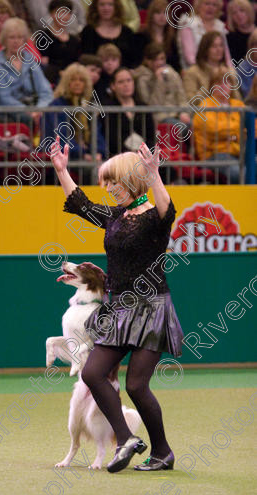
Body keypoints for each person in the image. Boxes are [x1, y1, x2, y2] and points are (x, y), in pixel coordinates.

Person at [50, 136, 183, 473]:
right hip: (118, 310)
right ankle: (126, 440)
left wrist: (154, 175)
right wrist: (62, 171)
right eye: (105, 182)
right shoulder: (115, 216)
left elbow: (168, 211)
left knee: (137, 385)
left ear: (130, 179)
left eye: (112, 181)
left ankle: (163, 453)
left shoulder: (153, 218)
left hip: (151, 309)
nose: (108, 187)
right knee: (93, 372)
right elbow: (81, 204)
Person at [0, 17, 53, 124]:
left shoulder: (31, 61)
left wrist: (39, 109)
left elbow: (45, 91)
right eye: (12, 37)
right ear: (4, 40)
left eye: (20, 37)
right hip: (11, 113)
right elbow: (3, 97)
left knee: (53, 116)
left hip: (34, 110)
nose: (16, 41)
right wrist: (28, 112)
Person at [44, 63, 105, 172]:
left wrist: (98, 152)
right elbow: (61, 136)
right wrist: (82, 154)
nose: (77, 83)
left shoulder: (88, 106)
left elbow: (97, 133)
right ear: (66, 83)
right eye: (73, 80)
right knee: (89, 171)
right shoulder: (57, 106)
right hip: (62, 157)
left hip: (86, 155)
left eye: (81, 80)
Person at [192, 68, 245, 183]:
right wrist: (238, 129)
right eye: (219, 83)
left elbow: (252, 128)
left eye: (227, 82)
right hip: (214, 154)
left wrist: (233, 134)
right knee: (239, 173)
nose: (223, 86)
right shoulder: (205, 105)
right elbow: (214, 129)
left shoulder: (238, 104)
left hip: (239, 151)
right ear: (212, 86)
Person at [134, 42, 190, 129]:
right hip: (159, 118)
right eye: (155, 60)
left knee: (197, 127)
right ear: (147, 61)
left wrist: (183, 112)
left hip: (176, 114)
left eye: (162, 59)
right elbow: (152, 107)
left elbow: (182, 98)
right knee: (181, 128)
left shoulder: (172, 73)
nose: (160, 63)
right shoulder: (142, 80)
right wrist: (159, 82)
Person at [102, 67, 155, 155]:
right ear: (113, 86)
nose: (126, 85)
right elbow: (112, 140)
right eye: (121, 82)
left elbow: (151, 137)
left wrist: (143, 153)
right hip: (119, 156)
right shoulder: (108, 109)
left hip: (144, 155)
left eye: (129, 80)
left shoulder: (144, 107)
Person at [183, 31, 242, 101]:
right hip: (203, 111)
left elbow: (238, 100)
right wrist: (211, 86)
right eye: (214, 46)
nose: (219, 50)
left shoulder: (229, 71)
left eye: (221, 45)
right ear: (205, 49)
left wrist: (231, 82)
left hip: (227, 110)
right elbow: (190, 101)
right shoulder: (192, 72)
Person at [80, 0, 137, 68]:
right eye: (102, 5)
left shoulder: (127, 32)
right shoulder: (88, 31)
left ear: (116, 7)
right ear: (96, 7)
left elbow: (133, 60)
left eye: (110, 4)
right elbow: (85, 59)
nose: (106, 8)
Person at [177, 0, 232, 69]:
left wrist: (231, 72)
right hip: (196, 70)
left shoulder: (220, 26)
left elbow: (227, 57)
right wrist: (209, 71)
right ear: (198, 6)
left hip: (218, 71)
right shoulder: (189, 24)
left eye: (214, 5)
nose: (210, 8)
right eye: (207, 3)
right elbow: (190, 58)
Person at [41, 0, 81, 86]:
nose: (63, 16)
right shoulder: (44, 36)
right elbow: (44, 62)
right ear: (51, 14)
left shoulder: (74, 40)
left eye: (66, 13)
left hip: (71, 78)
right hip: (51, 79)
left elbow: (76, 62)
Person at [135, 0, 180, 71]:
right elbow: (138, 61)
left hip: (168, 74)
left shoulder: (171, 38)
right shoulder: (141, 36)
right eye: (158, 13)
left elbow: (176, 63)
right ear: (151, 15)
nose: (162, 16)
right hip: (147, 73)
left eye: (165, 13)